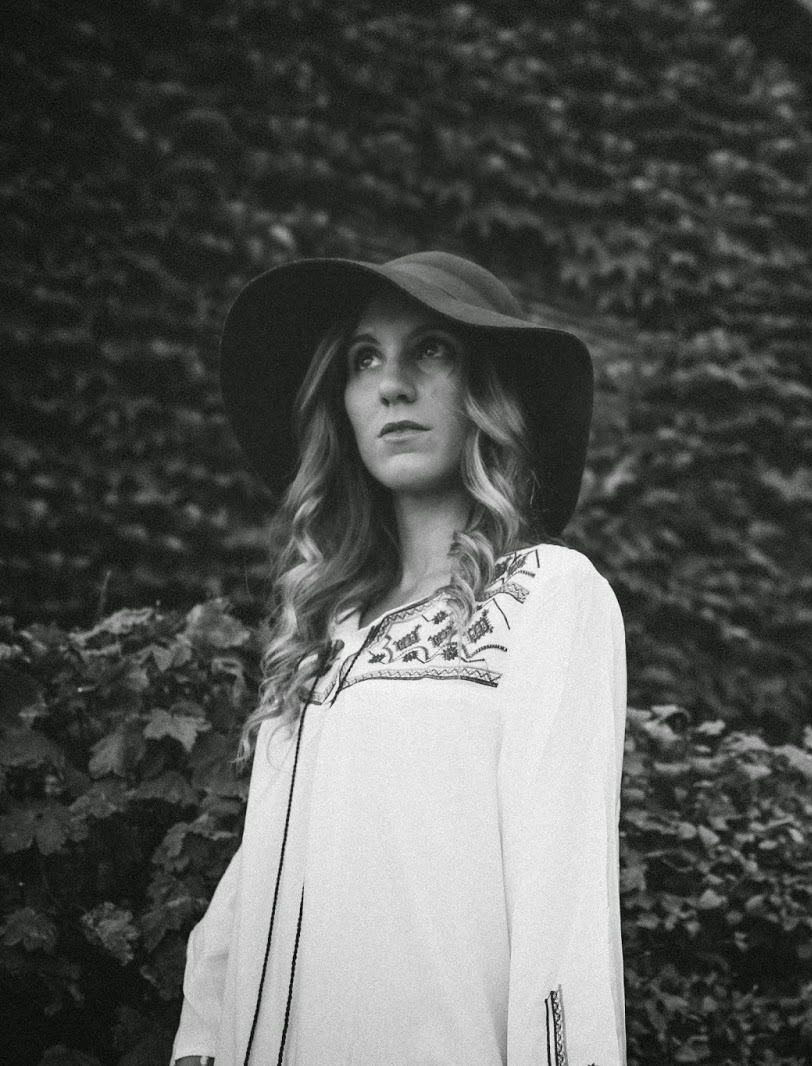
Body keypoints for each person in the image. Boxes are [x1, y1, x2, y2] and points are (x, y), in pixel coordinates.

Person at [169, 251, 627, 1066]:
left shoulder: (547, 595)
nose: (392, 385)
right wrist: (200, 1040)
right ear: (341, 402)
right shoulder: (325, 625)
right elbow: (262, 870)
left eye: (432, 350)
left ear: (487, 388)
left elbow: (564, 908)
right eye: (364, 359)